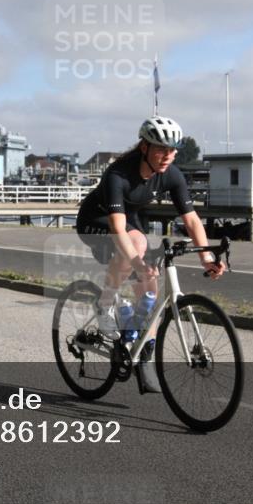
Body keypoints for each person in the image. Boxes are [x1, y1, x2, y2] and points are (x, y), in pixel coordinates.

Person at [75, 116, 225, 393]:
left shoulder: (171, 174)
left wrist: (206, 257)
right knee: (138, 244)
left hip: (129, 221)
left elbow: (191, 220)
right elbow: (117, 228)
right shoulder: (118, 174)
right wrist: (136, 262)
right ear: (144, 147)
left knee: (150, 293)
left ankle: (144, 356)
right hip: (95, 221)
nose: (167, 156)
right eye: (160, 149)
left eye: (172, 150)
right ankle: (104, 303)